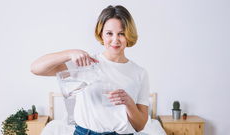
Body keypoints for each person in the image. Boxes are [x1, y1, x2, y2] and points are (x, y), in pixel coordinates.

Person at [31, 5, 149, 135]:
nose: (115, 40)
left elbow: (140, 126)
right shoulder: (85, 63)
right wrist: (69, 53)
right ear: (101, 34)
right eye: (109, 33)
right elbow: (36, 68)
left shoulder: (140, 73)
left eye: (121, 34)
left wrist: (129, 102)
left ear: (128, 35)